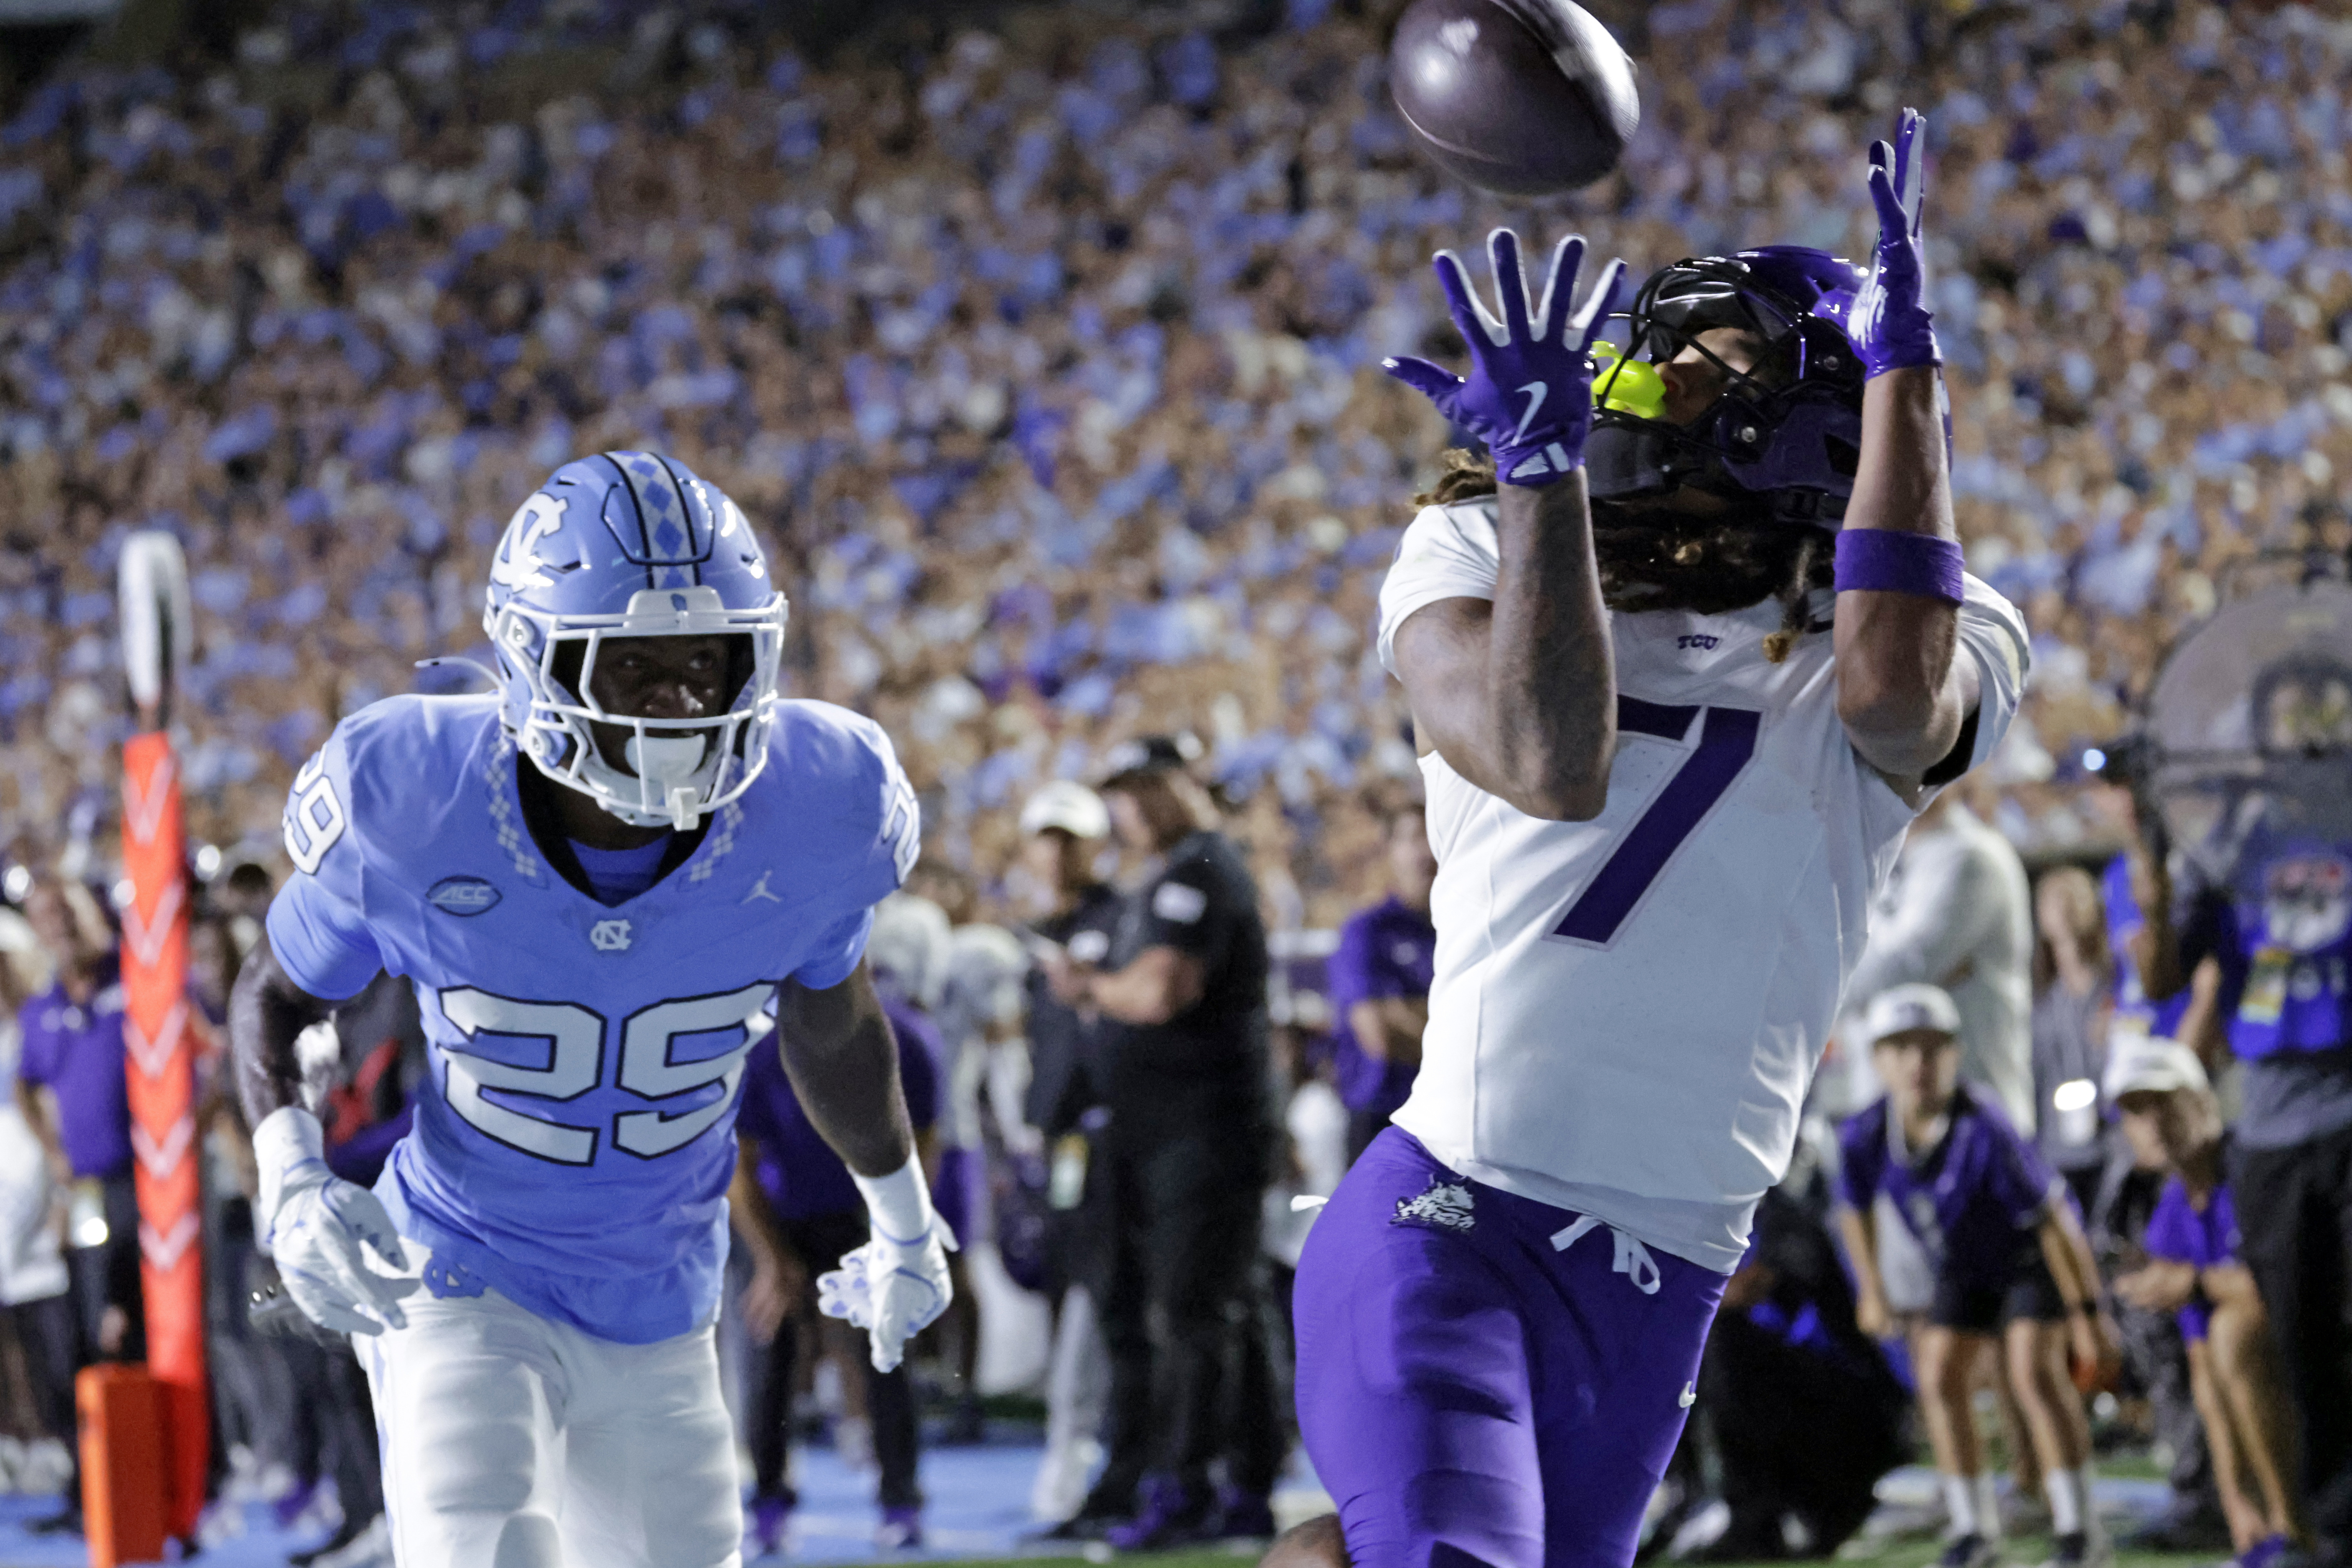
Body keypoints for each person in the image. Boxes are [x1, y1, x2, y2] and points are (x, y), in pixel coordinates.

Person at [1277, 112, 2034, 1568]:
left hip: (1675, 1258)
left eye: (1709, 360)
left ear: (1811, 422)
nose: (1647, 372)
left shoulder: (1945, 623)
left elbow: (1883, 700)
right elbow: (1552, 762)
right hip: (1457, 1212)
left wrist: (1908, 381)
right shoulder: (1481, 540)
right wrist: (1543, 476)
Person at [227, 452, 949, 1568]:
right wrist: (293, 1181)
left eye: (707, 664)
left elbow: (835, 1027)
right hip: (460, 1268)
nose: (681, 704)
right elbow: (277, 997)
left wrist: (901, 1218)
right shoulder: (416, 796)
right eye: (634, 671)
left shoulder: (819, 798)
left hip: (663, 1291)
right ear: (529, 661)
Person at [1040, 734, 1280, 1548]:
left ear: (1184, 783)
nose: (1129, 807)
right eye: (1121, 791)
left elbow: (1161, 989)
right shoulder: (1175, 871)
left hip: (1203, 1131)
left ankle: (1188, 1489)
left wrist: (1087, 986)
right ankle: (1241, 1484)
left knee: (1191, 1312)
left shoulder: (1198, 869)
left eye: (1144, 788)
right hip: (1183, 1132)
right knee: (1221, 1309)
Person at [1838, 985, 2121, 1568]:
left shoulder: (1983, 1122)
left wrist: (2087, 1314)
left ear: (1954, 1053)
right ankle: (1973, 1531)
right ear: (1878, 1060)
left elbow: (2054, 1221)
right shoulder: (1864, 1133)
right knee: (1938, 1373)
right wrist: (1870, 1287)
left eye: (1931, 1046)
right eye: (1901, 1047)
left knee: (2033, 1373)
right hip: (1963, 1265)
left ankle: (2078, 1530)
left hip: (2025, 1259)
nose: (1917, 1062)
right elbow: (1853, 1206)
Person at [730, 978, 942, 1556]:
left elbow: (922, 1145)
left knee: (886, 1351)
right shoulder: (756, 1044)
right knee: (769, 1352)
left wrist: (897, 1241)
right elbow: (738, 1165)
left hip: (862, 1212)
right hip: (779, 1213)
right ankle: (768, 1501)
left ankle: (901, 1498)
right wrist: (773, 1260)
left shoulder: (905, 1040)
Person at [2105, 1034, 2308, 1568]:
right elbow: (2205, 1380)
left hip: (2317, 1350)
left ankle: (2295, 1530)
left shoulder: (2255, 1167)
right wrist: (2237, 1504)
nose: (2151, 1124)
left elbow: (2289, 1288)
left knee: (2232, 1334)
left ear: (2202, 1101)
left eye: (2162, 1103)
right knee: (2213, 1354)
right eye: (2135, 1112)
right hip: (2269, 1365)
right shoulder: (2170, 1214)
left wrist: (2196, 1283)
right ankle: (2258, 1527)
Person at [1013, 781, 1124, 1528]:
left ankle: (1079, 1450)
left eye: (1070, 838)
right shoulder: (1037, 940)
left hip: (1117, 1143)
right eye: (1045, 838)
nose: (1056, 853)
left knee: (1100, 1306)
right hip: (1063, 1150)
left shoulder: (1120, 919)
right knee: (1076, 1298)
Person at [1326, 803, 1438, 1163]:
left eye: (1435, 836)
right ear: (1390, 850)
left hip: (1451, 1123)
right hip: (1382, 1120)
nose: (1426, 851)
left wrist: (1408, 1014)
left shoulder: (1469, 930)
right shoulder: (1367, 930)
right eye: (1412, 838)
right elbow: (1380, 1036)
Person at [2032, 867, 2116, 1217]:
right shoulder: (2042, 1001)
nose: (2064, 907)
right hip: (2057, 1149)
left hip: (2112, 1146)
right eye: (2053, 898)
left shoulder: (2115, 995)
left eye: (2073, 896)